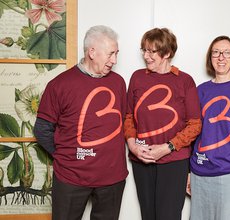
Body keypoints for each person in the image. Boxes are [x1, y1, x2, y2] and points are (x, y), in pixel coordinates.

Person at [33, 25, 128, 220]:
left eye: (116, 54)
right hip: (71, 178)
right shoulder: (60, 84)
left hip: (112, 178)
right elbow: (42, 129)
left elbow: (124, 121)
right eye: (110, 54)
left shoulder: (118, 82)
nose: (114, 60)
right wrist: (65, 155)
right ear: (92, 52)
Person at [123, 27, 201, 220]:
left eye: (152, 51)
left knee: (168, 216)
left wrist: (167, 147)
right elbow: (129, 116)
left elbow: (195, 124)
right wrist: (132, 146)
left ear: (167, 53)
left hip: (174, 161)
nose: (146, 56)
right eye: (144, 50)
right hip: (142, 159)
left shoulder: (185, 81)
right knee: (148, 216)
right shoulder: (137, 77)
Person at [188, 35, 230, 220]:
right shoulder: (199, 91)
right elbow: (192, 135)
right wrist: (188, 172)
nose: (221, 57)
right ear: (210, 58)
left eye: (227, 53)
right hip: (200, 171)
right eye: (216, 52)